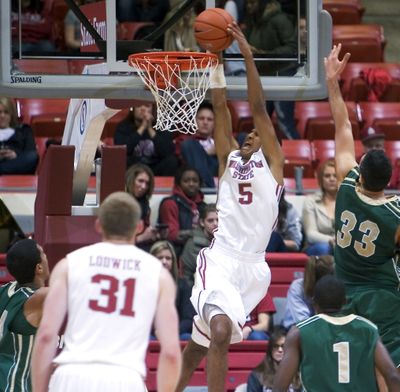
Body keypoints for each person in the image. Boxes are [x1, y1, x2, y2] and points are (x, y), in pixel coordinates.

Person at [175, 22, 284, 392]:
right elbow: (220, 103)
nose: (252, 134)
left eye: (257, 132)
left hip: (255, 268)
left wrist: (247, 54)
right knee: (220, 331)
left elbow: (258, 107)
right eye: (248, 133)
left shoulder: (273, 165)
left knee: (201, 343)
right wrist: (216, 59)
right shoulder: (228, 158)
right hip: (221, 257)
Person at [31, 192, 181, 392]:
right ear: (138, 227)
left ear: (99, 225)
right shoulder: (159, 274)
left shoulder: (69, 264)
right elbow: (171, 352)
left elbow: (46, 336)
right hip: (125, 378)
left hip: (71, 376)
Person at [325, 44, 400, 374]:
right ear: (389, 180)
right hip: (381, 298)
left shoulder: (344, 183)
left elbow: (342, 126)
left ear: (361, 171)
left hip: (343, 293)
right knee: (388, 370)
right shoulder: (395, 215)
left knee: (348, 370)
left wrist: (331, 82)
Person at [272, 276, 400, 392]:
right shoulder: (368, 329)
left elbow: (280, 387)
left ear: (314, 302)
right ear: (345, 301)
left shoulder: (299, 332)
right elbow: (393, 376)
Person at [0, 238, 49, 392]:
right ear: (39, 268)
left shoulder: (5, 289)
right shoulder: (36, 298)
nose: (47, 256)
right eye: (44, 253)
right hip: (14, 385)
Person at [114, 103, 179, 175]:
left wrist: (150, 129)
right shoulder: (123, 126)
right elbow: (122, 151)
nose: (142, 109)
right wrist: (142, 128)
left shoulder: (161, 126)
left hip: (155, 166)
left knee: (171, 161)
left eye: (147, 106)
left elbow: (167, 152)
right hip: (134, 167)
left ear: (152, 110)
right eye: (138, 106)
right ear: (133, 110)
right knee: (121, 160)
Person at [150, 240, 196, 340]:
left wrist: (172, 332)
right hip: (152, 333)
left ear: (173, 262)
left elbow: (188, 319)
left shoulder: (183, 285)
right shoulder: (144, 285)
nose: (164, 262)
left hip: (176, 332)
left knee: (188, 338)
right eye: (159, 258)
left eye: (168, 258)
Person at [158, 166, 206, 258]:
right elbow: (172, 235)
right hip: (176, 251)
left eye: (195, 181)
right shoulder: (170, 203)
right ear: (178, 184)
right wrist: (197, 235)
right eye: (186, 181)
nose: (191, 184)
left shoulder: (203, 206)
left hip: (201, 249)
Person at [282, 255, 334, 330]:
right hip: (296, 330)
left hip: (323, 330)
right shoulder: (297, 287)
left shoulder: (335, 288)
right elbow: (303, 323)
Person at [179, 101, 219, 188]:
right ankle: (204, 185)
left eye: (209, 119)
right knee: (189, 145)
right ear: (195, 121)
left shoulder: (219, 143)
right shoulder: (186, 142)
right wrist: (207, 153)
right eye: (201, 118)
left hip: (218, 182)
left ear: (214, 123)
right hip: (195, 184)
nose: (205, 122)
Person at [302, 158, 337, 256]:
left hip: (342, 246)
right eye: (327, 176)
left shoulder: (347, 202)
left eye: (335, 176)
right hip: (317, 246)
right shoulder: (311, 201)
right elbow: (311, 234)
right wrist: (332, 240)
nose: (332, 179)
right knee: (324, 248)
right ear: (321, 179)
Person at [125, 163, 162, 251]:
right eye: (140, 181)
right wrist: (141, 238)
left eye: (147, 183)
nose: (144, 186)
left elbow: (146, 227)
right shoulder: (120, 203)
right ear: (131, 180)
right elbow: (116, 241)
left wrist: (153, 234)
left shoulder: (144, 204)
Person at [180, 203, 218, 287]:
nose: (215, 224)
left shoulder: (227, 241)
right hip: (196, 290)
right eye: (210, 220)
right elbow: (187, 277)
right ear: (202, 222)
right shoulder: (193, 244)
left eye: (218, 220)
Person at [0, 97, 39, 175]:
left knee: (32, 157)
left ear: (11, 114)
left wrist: (16, 155)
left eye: (6, 112)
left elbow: (30, 152)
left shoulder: (24, 130)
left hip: (18, 163)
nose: (2, 116)